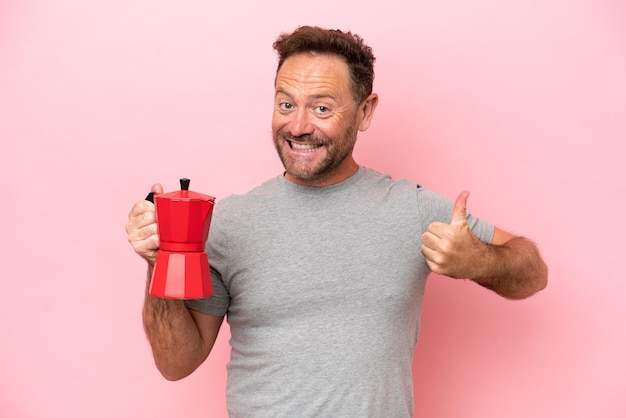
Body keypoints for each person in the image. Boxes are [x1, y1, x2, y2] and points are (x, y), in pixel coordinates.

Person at [126, 26, 548, 418]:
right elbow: (176, 362)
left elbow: (532, 272)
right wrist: (157, 261)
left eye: (322, 107)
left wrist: (478, 260)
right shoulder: (228, 223)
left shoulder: (413, 209)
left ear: (365, 112)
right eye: (285, 103)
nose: (298, 126)